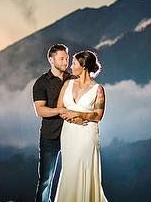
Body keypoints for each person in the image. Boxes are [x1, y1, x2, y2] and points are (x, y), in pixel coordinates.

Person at [53, 50, 109, 202]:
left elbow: (98, 115)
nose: (70, 66)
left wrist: (80, 116)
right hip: (69, 133)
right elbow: (60, 108)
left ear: (83, 66)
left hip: (86, 134)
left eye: (74, 63)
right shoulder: (68, 84)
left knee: (82, 166)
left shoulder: (98, 89)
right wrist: (73, 120)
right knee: (70, 169)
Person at [32, 43, 82, 202]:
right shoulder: (41, 83)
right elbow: (40, 110)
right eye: (61, 58)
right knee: (46, 180)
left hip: (73, 135)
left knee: (75, 177)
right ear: (51, 60)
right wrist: (60, 111)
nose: (65, 62)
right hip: (50, 137)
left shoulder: (74, 79)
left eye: (67, 58)